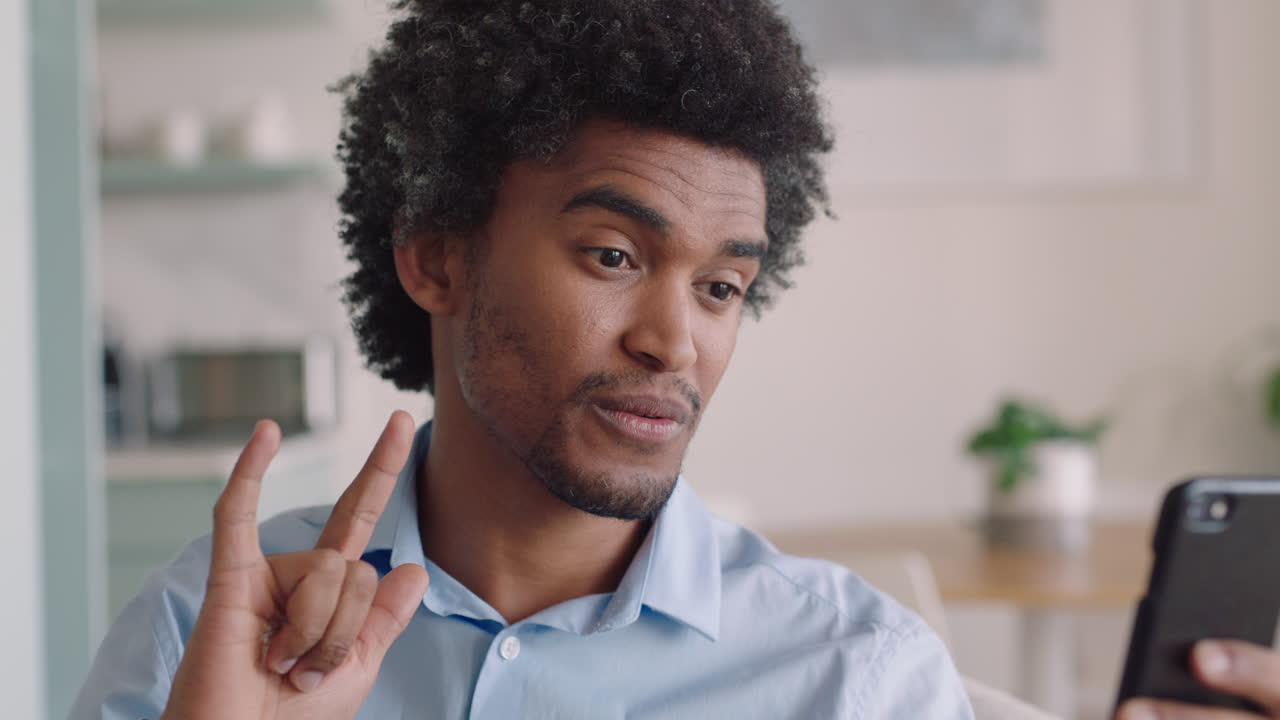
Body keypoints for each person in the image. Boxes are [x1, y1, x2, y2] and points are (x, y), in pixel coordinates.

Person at [71, 2, 1280, 719]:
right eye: (609, 255)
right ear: (434, 257)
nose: (674, 341)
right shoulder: (214, 623)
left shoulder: (850, 676)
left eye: (720, 286)